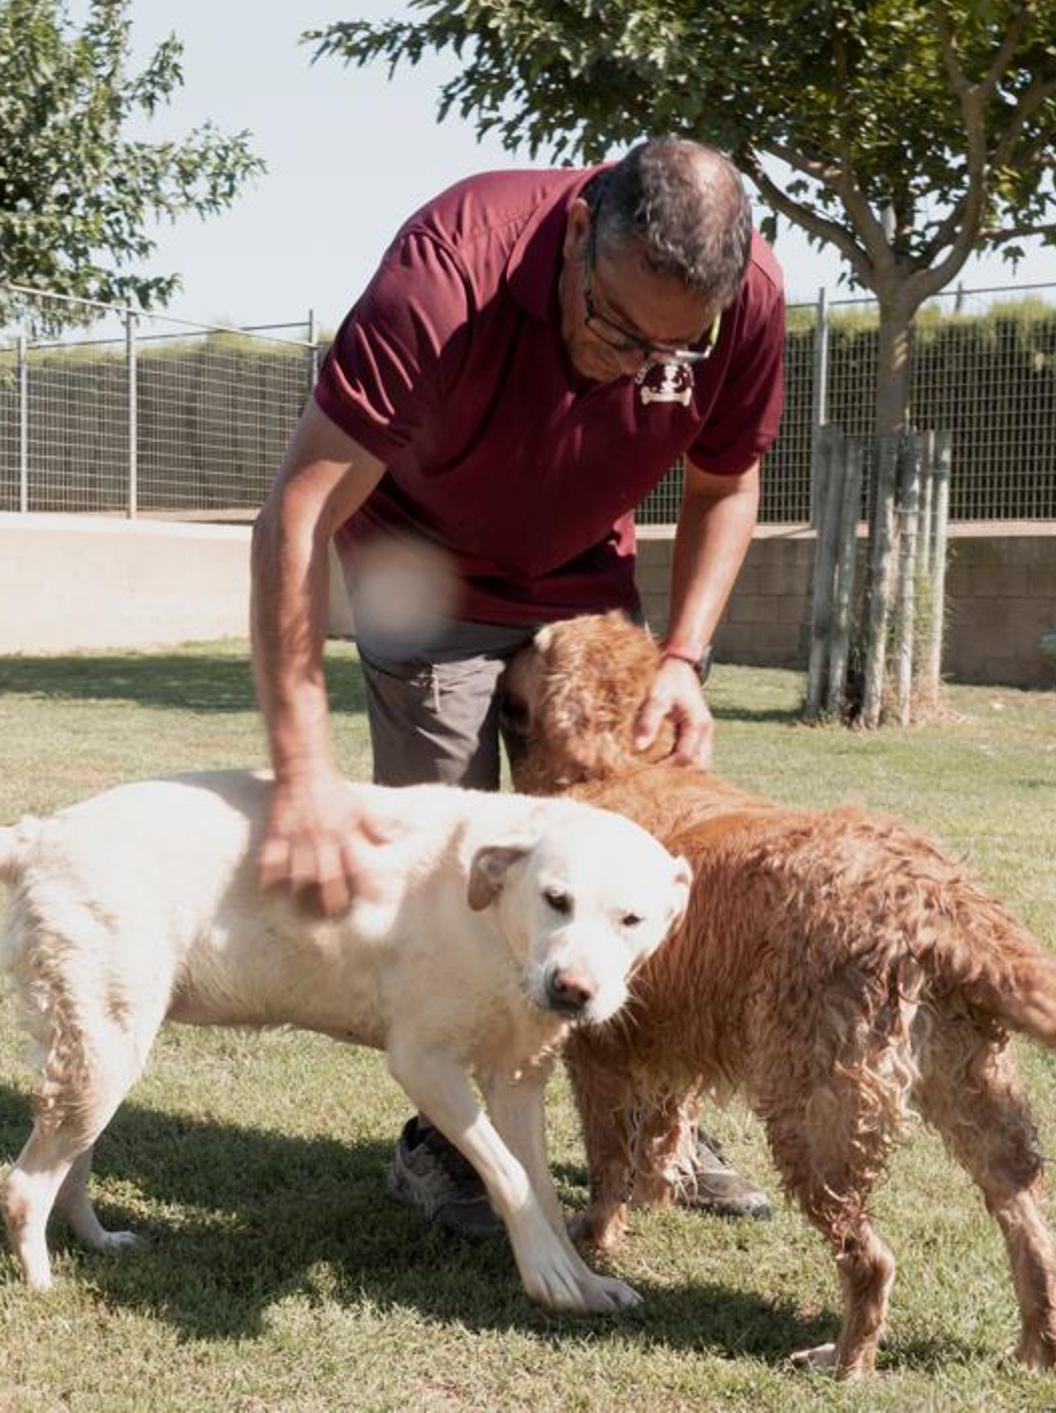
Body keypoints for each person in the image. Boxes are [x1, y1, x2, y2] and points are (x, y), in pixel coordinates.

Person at [251, 136, 784, 1237]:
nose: (640, 368)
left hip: (585, 588)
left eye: (672, 350)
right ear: (581, 232)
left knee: (618, 863)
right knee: (462, 881)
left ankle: (646, 1129)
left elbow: (729, 482)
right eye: (618, 330)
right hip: (424, 581)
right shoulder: (450, 269)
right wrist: (303, 777)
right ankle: (444, 1143)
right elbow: (300, 510)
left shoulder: (749, 301)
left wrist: (683, 652)